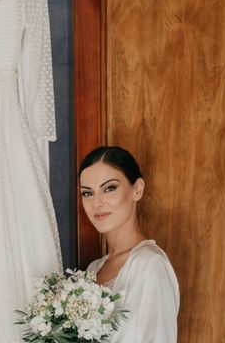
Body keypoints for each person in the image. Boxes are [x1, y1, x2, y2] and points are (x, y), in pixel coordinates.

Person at [79, 146, 180, 342]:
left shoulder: (150, 264)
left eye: (109, 188)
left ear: (137, 190)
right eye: (87, 193)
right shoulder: (93, 268)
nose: (97, 203)